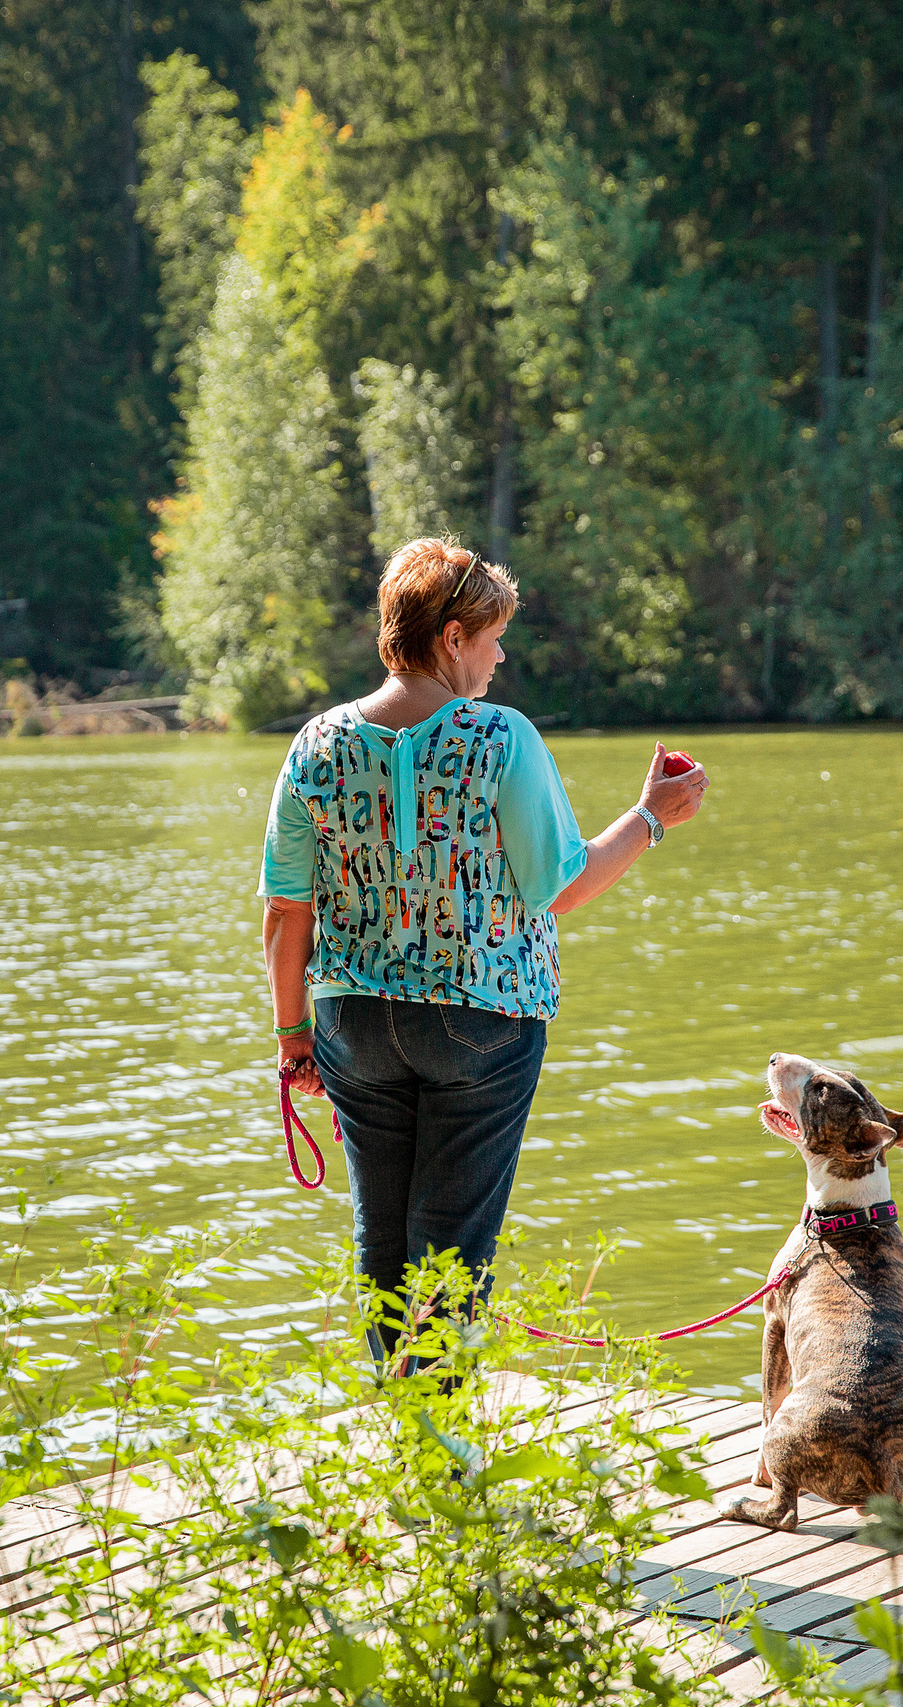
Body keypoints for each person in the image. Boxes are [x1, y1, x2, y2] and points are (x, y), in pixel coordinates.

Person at [257, 536, 711, 1354]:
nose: (500, 656)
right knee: (451, 1249)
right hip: (481, 1024)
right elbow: (560, 884)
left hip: (352, 1024)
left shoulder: (314, 745)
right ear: (451, 637)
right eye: (493, 637)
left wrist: (294, 1037)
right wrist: (650, 818)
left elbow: (287, 912)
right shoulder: (502, 737)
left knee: (380, 1241)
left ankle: (403, 1419)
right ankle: (439, 1428)